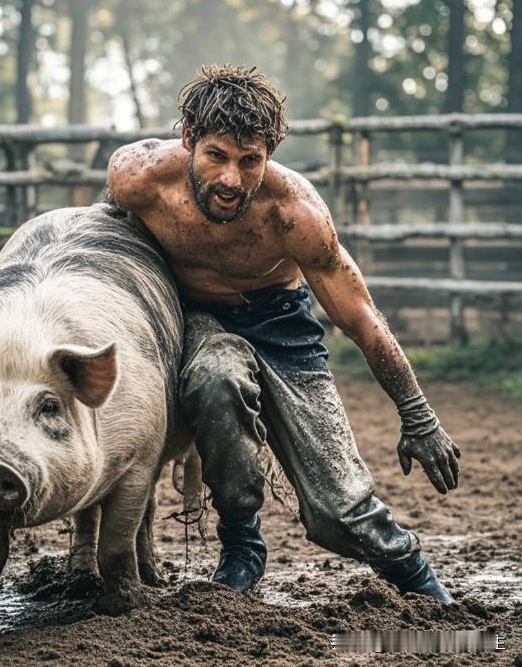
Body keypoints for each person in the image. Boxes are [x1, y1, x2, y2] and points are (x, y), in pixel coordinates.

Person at [106, 64, 460, 603]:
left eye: (250, 161)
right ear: (187, 140)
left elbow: (362, 317)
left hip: (282, 325)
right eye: (216, 156)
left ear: (269, 154)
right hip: (195, 317)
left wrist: (418, 416)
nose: (231, 180)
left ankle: (427, 589)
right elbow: (99, 238)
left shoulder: (294, 212)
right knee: (215, 377)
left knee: (338, 512)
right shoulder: (139, 177)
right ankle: (242, 545)